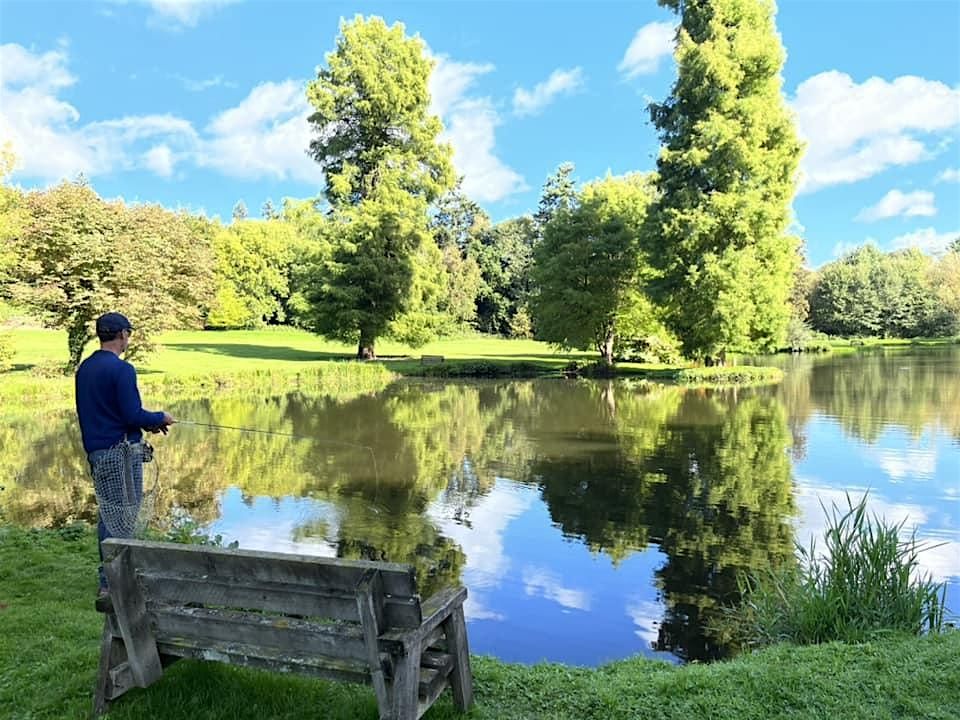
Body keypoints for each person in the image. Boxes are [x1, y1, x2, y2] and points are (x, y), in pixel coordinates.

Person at [75, 312, 174, 609]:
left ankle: (109, 581)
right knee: (125, 518)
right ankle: (115, 583)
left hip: (97, 452)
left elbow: (111, 413)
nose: (128, 338)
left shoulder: (85, 368)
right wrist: (160, 418)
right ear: (121, 335)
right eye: (127, 333)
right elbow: (132, 415)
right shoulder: (122, 370)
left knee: (108, 515)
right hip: (121, 455)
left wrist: (147, 424)